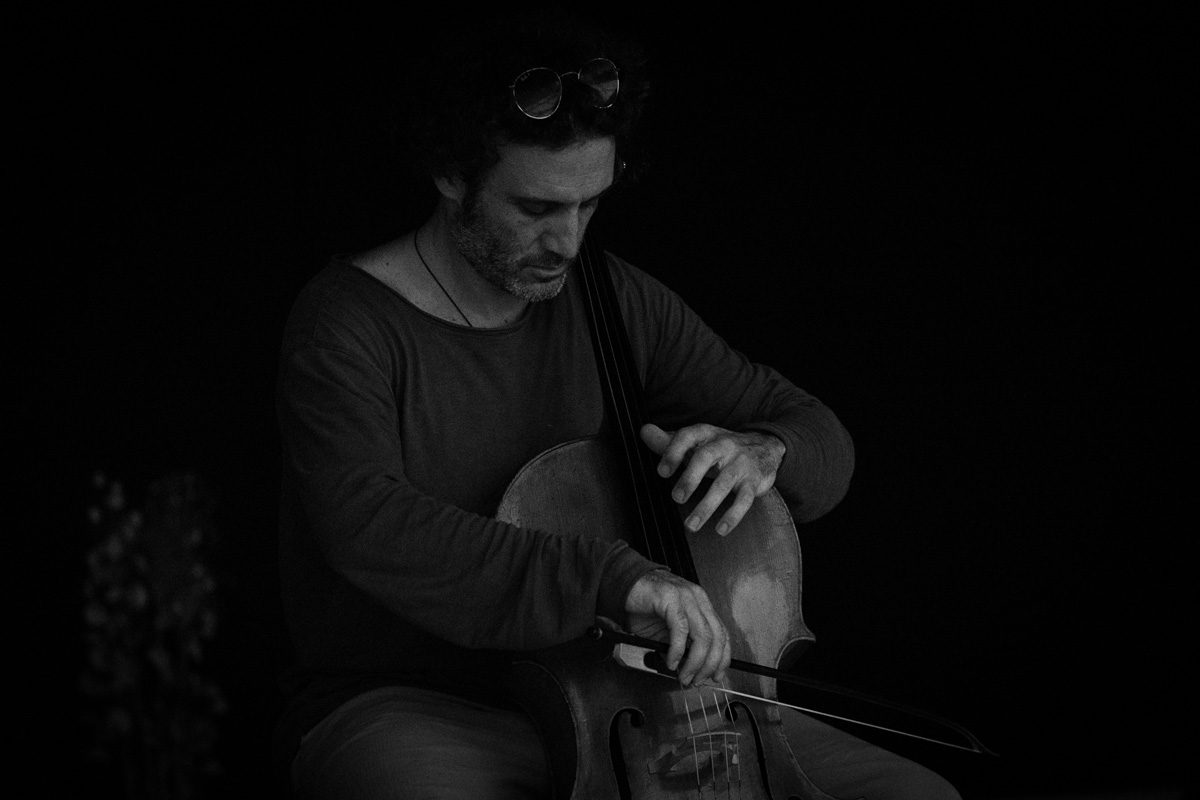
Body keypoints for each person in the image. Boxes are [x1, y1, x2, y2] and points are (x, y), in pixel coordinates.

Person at [274, 11, 960, 799]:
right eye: (536, 209)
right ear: (451, 175)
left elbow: (821, 440)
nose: (569, 243)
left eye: (589, 205)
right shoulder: (345, 324)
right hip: (418, 703)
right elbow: (369, 524)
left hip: (634, 695)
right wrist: (611, 580)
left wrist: (767, 450)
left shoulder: (615, 301)